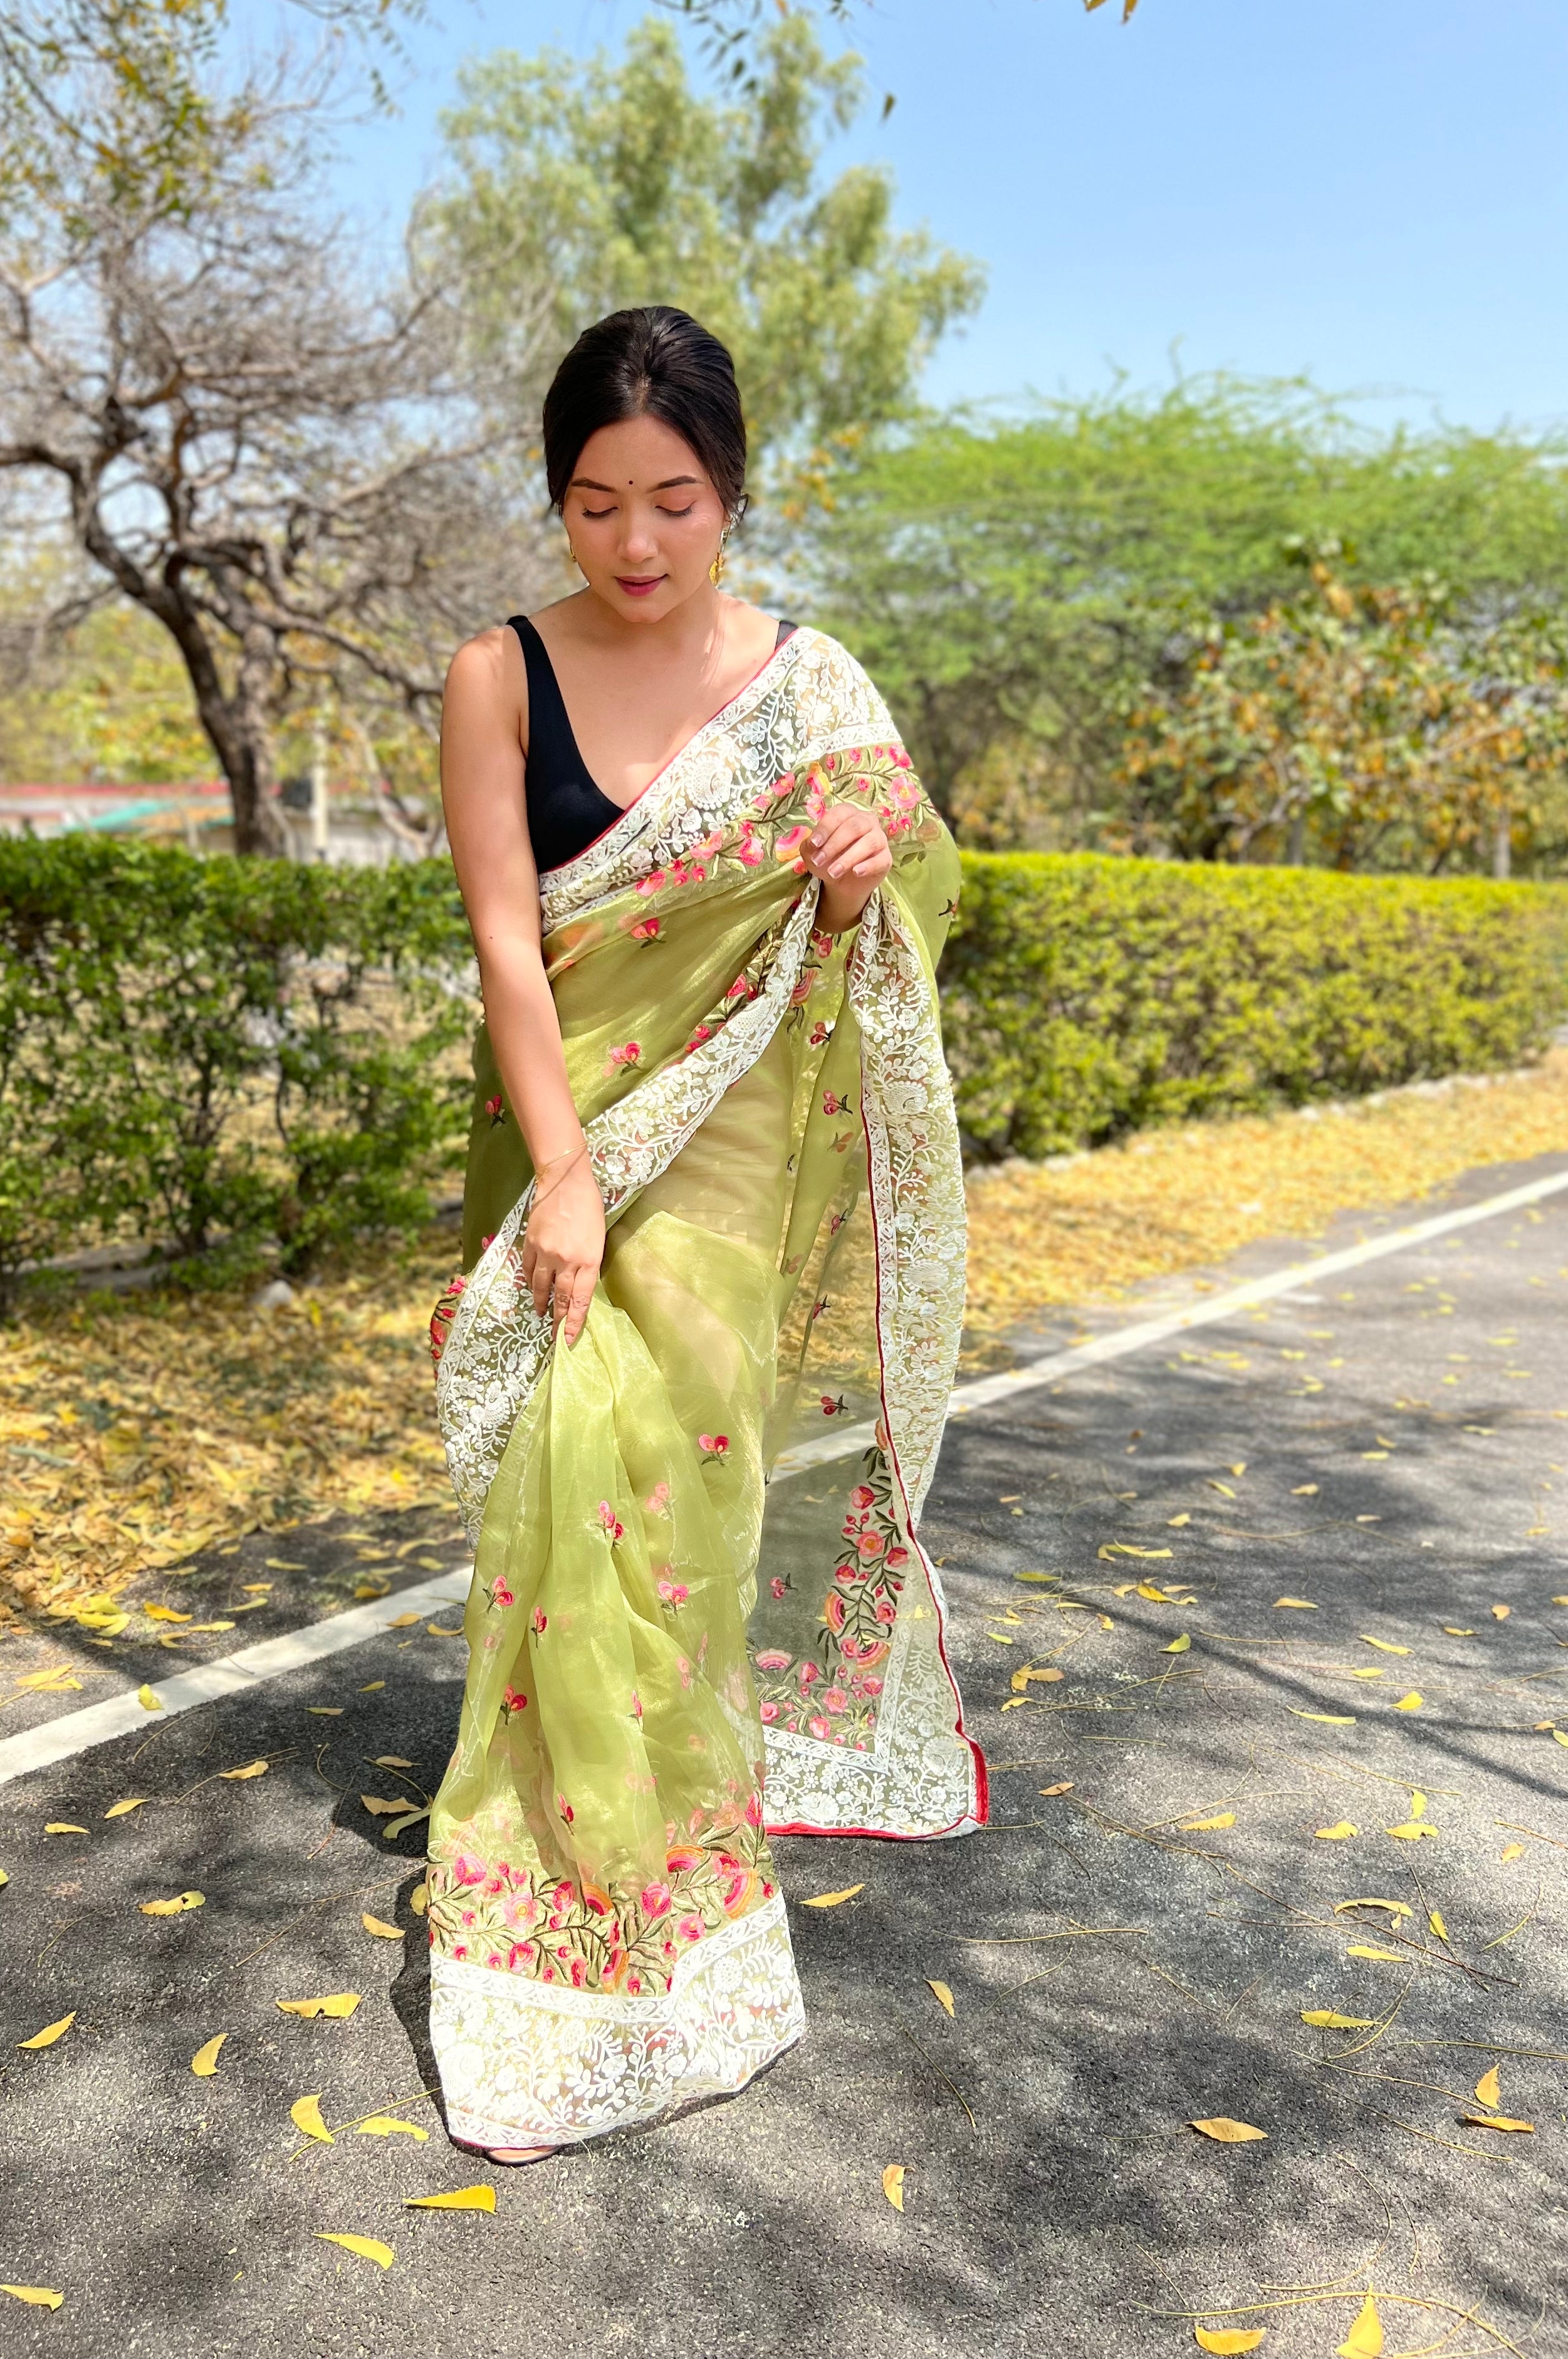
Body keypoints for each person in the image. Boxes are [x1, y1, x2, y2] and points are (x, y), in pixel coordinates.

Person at [427, 305, 984, 2160]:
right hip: (569, 1116)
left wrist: (859, 865)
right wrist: (568, 1169)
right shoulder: (494, 676)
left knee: (676, 1502)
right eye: (595, 505)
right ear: (558, 506)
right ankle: (559, 1888)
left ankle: (675, 1880)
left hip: (733, 1145)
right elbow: (514, 944)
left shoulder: (814, 688)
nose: (637, 544)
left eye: (674, 500)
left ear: (733, 492)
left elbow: (892, 897)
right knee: (567, 1472)